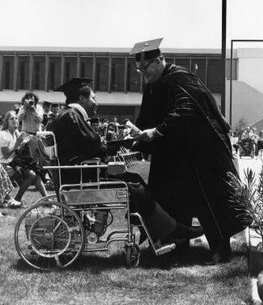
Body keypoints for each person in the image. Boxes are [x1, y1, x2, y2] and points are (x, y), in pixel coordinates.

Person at [129, 38, 249, 264]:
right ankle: (176, 245)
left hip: (201, 153)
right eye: (139, 69)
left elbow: (186, 110)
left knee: (209, 199)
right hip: (174, 155)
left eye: (145, 68)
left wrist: (155, 133)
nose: (142, 73)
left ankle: (221, 250)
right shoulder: (152, 85)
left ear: (160, 60)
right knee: (169, 197)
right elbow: (146, 117)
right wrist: (137, 135)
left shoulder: (181, 78)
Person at [50, 77, 203, 245]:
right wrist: (113, 145)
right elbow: (95, 146)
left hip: (79, 175)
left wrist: (113, 146)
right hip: (82, 178)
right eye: (94, 98)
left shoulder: (66, 116)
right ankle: (171, 230)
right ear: (82, 99)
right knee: (134, 185)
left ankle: (158, 231)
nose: (96, 102)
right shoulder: (71, 117)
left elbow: (89, 146)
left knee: (134, 181)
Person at [0, 111, 43, 203]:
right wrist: (18, 143)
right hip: (2, 165)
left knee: (33, 173)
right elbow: (6, 155)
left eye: (16, 118)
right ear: (7, 121)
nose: (14, 120)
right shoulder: (3, 134)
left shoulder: (16, 133)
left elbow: (17, 152)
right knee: (31, 174)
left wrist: (23, 144)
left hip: (12, 164)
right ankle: (11, 199)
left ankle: (18, 199)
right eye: (11, 118)